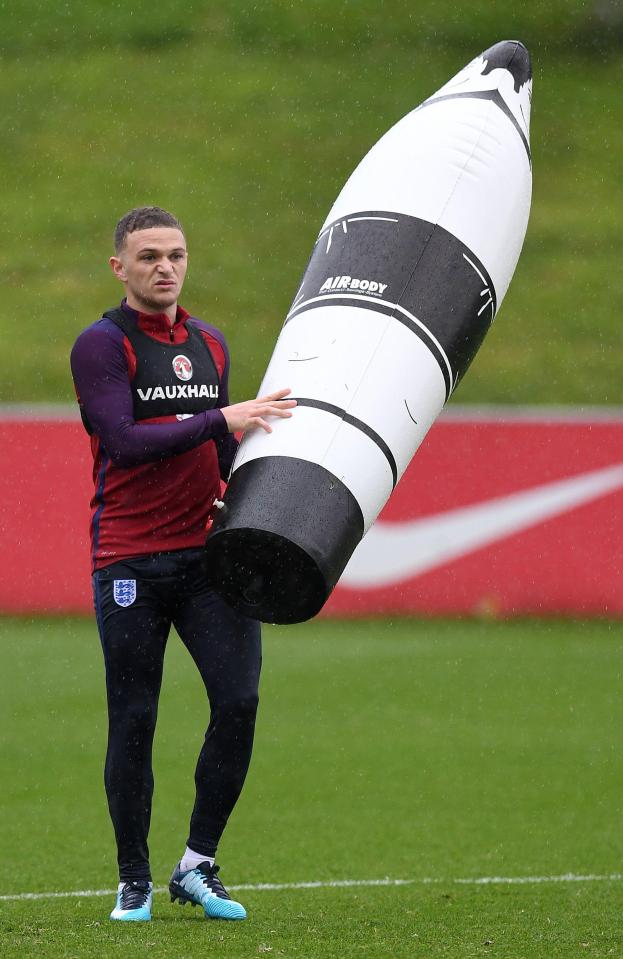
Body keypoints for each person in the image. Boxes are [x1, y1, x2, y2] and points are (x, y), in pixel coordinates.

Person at [70, 206, 295, 923]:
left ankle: (196, 863)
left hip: (207, 562)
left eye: (175, 254)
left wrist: (249, 498)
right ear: (120, 268)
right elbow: (125, 441)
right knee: (134, 717)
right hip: (130, 559)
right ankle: (132, 876)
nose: (164, 266)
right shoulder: (101, 345)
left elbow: (222, 450)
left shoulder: (210, 343)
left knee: (238, 701)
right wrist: (217, 421)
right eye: (148, 256)